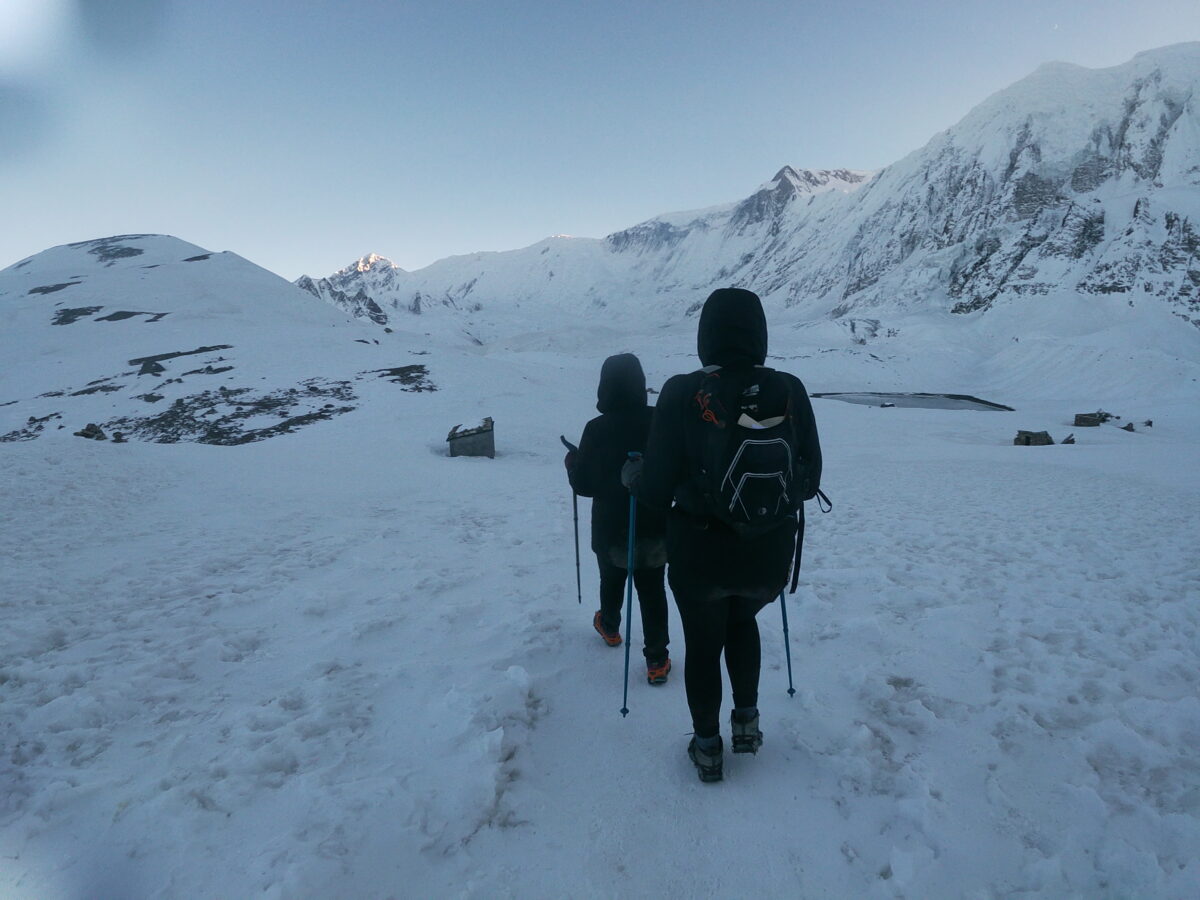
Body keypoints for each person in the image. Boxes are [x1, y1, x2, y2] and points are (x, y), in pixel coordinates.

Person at [623, 288, 822, 782]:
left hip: (700, 556)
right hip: (767, 555)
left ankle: (708, 747)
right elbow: (811, 477)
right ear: (759, 333)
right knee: (743, 624)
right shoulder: (790, 389)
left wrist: (633, 477)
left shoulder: (680, 392)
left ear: (705, 336)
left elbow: (654, 490)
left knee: (704, 642)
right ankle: (748, 725)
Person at [565, 353, 671, 684]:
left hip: (611, 530)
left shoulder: (596, 428)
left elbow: (584, 485)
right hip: (655, 526)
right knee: (652, 592)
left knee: (612, 580)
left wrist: (572, 465)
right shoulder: (660, 420)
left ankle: (609, 626)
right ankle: (657, 660)